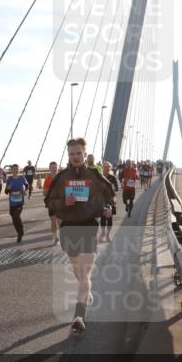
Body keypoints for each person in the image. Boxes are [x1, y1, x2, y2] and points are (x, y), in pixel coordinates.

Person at [45, 138, 115, 333]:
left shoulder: (94, 175)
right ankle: (86, 293)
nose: (75, 157)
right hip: (68, 227)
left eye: (78, 153)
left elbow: (109, 193)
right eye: (71, 154)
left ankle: (79, 315)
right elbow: (50, 203)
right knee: (79, 271)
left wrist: (108, 207)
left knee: (83, 273)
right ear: (68, 155)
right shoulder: (61, 178)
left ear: (85, 154)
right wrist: (64, 203)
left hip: (88, 225)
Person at [5, 164, 28, 243]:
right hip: (12, 202)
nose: (15, 171)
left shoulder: (22, 178)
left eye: (16, 169)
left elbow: (26, 185)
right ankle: (19, 231)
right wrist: (8, 188)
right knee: (14, 218)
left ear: (19, 170)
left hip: (20, 202)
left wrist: (24, 189)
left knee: (16, 216)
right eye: (13, 169)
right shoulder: (9, 178)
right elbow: (6, 191)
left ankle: (20, 233)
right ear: (11, 170)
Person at [99, 161, 119, 243]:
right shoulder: (99, 177)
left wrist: (113, 188)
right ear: (102, 168)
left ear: (110, 168)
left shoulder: (112, 178)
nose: (106, 168)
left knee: (110, 218)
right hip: (101, 200)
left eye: (108, 167)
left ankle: (107, 235)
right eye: (104, 167)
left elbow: (117, 188)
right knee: (103, 218)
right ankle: (103, 233)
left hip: (110, 200)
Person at [42, 161, 59, 244]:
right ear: (49, 169)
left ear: (57, 168)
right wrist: (51, 188)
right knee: (53, 221)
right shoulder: (47, 179)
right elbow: (44, 193)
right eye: (52, 168)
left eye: (55, 167)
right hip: (51, 203)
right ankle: (56, 237)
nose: (54, 169)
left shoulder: (61, 177)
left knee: (60, 221)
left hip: (61, 203)